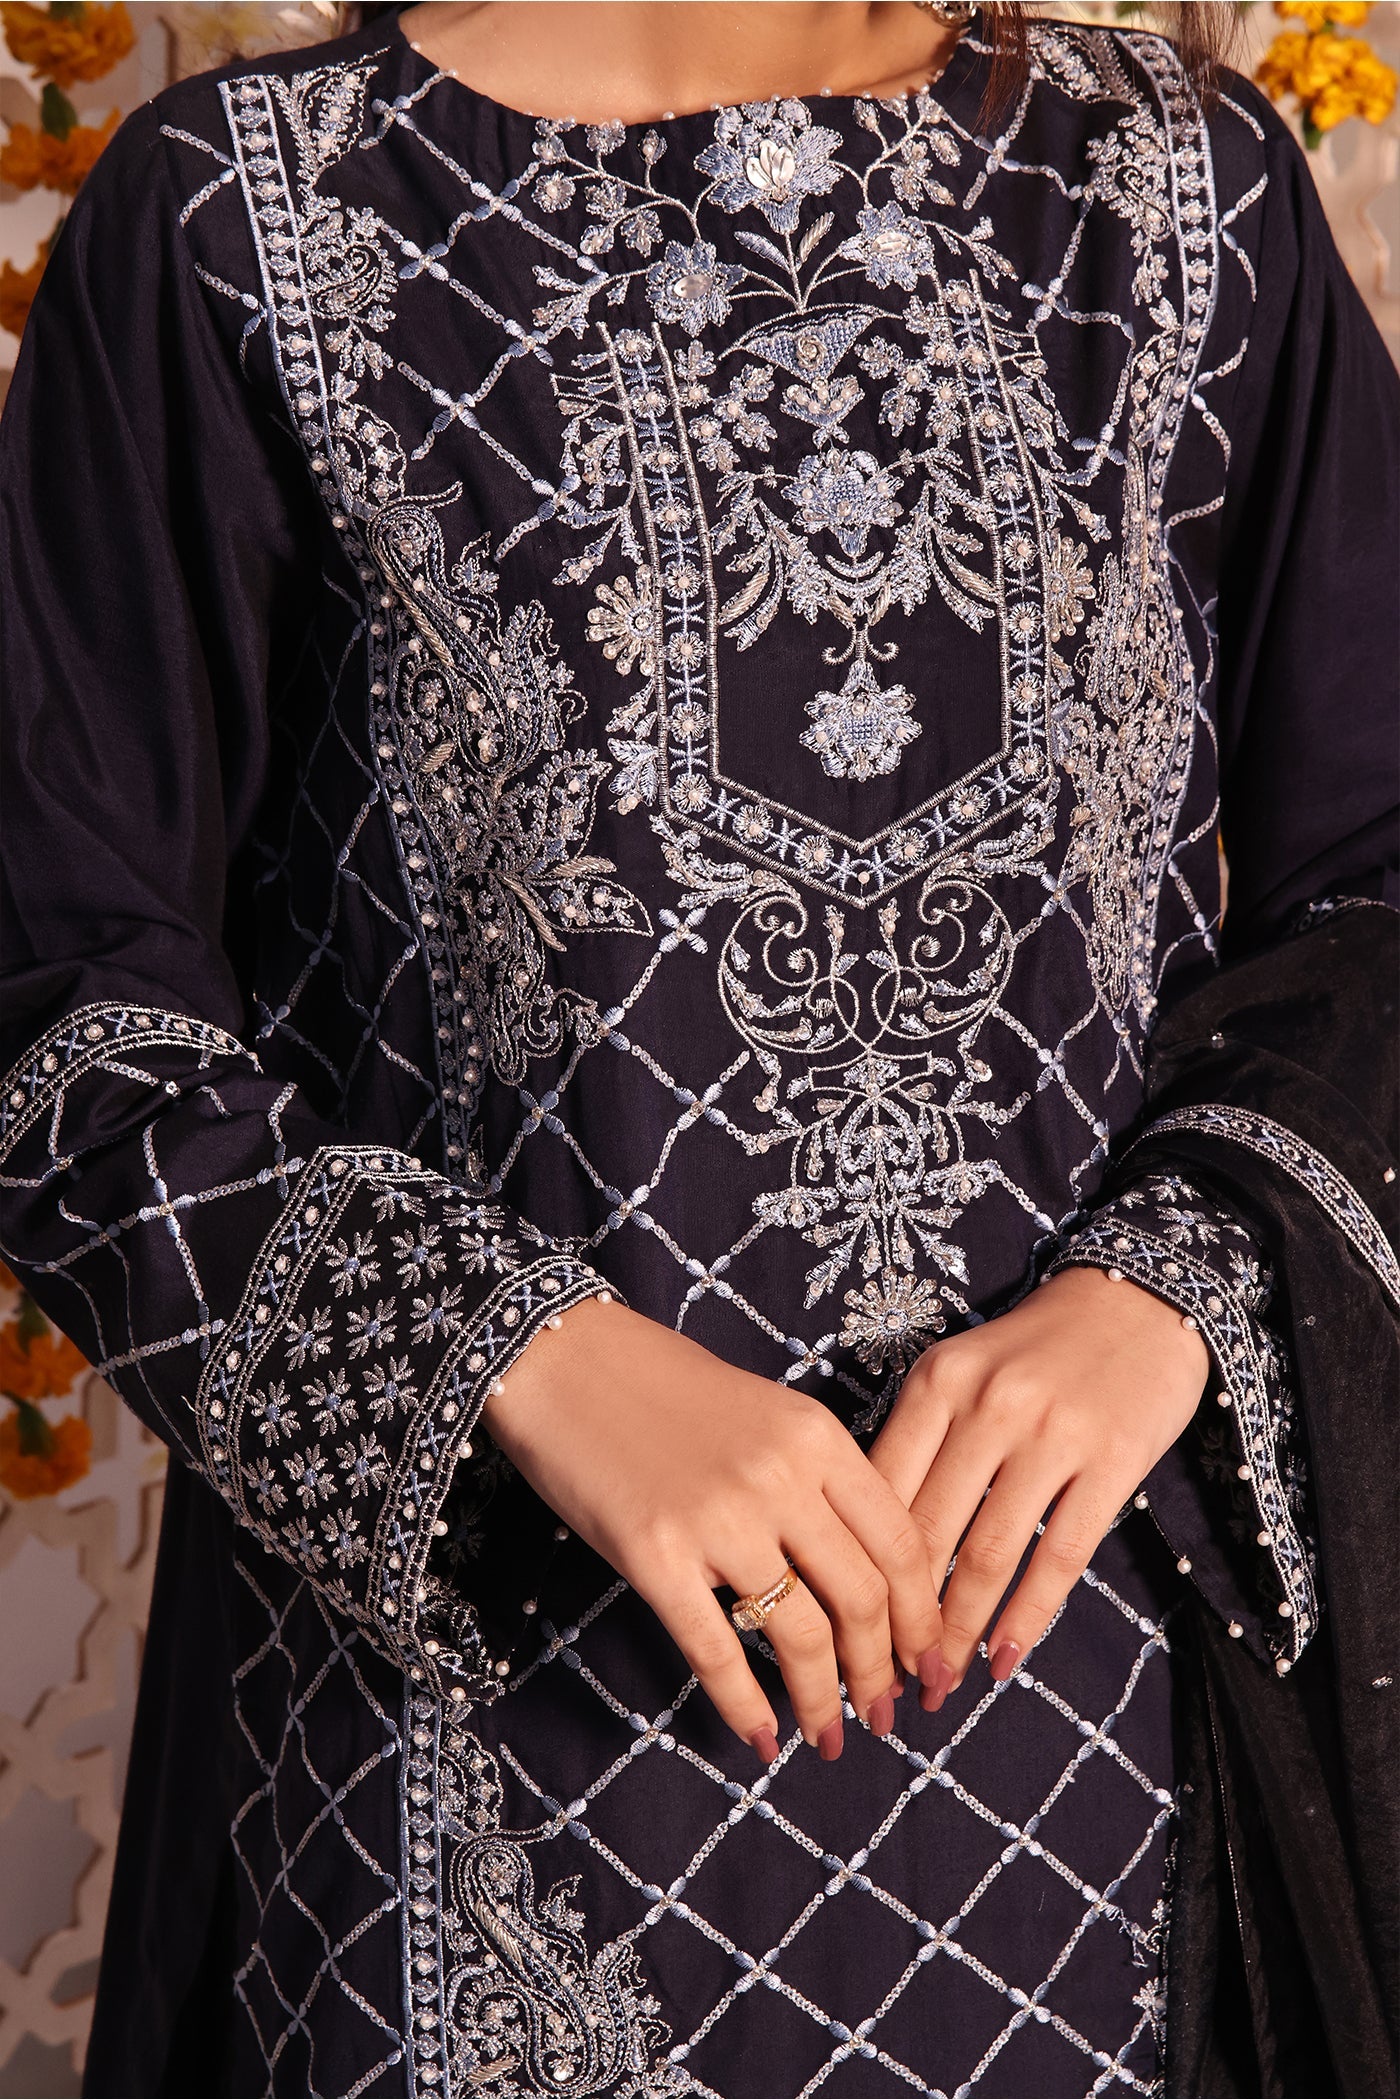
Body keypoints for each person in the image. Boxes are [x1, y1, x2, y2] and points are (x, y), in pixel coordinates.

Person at [0, 2, 1395, 2093]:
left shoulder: (1176, 192)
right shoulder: (238, 219)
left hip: (1095, 1721)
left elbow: (1382, 875)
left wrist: (1167, 1289)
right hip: (477, 1752)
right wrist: (515, 1357)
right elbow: (58, 993)